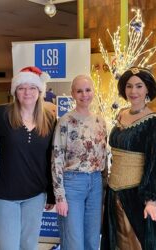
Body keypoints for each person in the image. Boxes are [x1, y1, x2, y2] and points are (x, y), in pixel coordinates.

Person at [0, 66, 56, 250]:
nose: (27, 92)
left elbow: (50, 157)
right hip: (4, 194)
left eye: (32, 87)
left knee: (29, 245)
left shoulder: (48, 119)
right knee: (7, 245)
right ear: (15, 91)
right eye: (22, 87)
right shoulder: (0, 115)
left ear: (40, 90)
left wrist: (51, 193)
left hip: (35, 194)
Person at [101, 67, 156, 250]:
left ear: (148, 89)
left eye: (139, 86)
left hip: (136, 194)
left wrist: (151, 199)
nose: (134, 91)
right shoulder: (120, 114)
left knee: (135, 243)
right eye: (129, 86)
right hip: (114, 191)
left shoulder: (153, 121)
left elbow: (154, 162)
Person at [52, 75, 108, 250]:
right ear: (73, 94)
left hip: (96, 183)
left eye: (88, 90)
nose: (84, 95)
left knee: (92, 238)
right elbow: (56, 158)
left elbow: (104, 155)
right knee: (73, 239)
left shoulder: (100, 121)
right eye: (79, 91)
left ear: (93, 91)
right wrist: (60, 196)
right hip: (72, 183)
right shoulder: (65, 122)